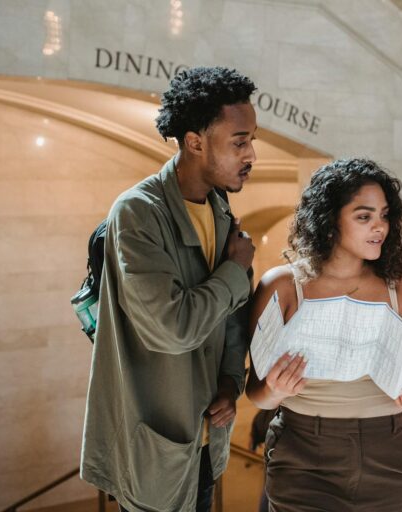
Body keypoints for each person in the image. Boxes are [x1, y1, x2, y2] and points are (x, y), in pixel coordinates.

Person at [80, 66, 258, 512]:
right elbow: (170, 328)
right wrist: (236, 270)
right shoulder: (137, 213)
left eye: (250, 139)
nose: (251, 153)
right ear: (195, 141)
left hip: (205, 444)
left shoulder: (220, 208)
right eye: (240, 141)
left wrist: (230, 381)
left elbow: (232, 315)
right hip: (154, 450)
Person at [246, 158, 402, 511]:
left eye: (384, 215)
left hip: (387, 450)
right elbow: (256, 394)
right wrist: (273, 390)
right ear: (330, 220)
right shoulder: (282, 286)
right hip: (302, 451)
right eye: (364, 217)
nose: (379, 227)